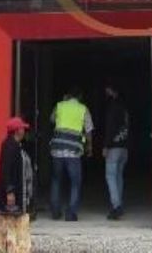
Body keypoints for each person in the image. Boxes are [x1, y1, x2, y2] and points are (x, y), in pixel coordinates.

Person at [49, 87, 93, 221]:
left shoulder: (59, 106)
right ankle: (71, 214)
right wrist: (89, 147)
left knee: (56, 180)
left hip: (57, 150)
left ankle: (55, 212)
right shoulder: (83, 109)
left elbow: (52, 120)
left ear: (67, 95)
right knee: (75, 182)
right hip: (73, 152)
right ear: (79, 97)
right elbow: (89, 130)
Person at [0, 116, 33, 253]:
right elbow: (6, 170)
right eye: (22, 129)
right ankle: (12, 249)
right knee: (13, 223)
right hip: (12, 196)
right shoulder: (10, 146)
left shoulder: (15, 145)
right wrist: (10, 192)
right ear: (17, 131)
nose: (24, 131)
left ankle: (3, 248)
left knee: (7, 224)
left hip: (17, 194)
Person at [102, 84, 129, 220]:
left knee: (110, 176)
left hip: (113, 148)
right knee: (119, 176)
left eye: (107, 90)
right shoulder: (124, 108)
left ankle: (116, 206)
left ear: (112, 91)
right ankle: (119, 203)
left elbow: (110, 128)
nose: (105, 92)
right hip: (124, 147)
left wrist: (106, 146)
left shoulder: (112, 107)